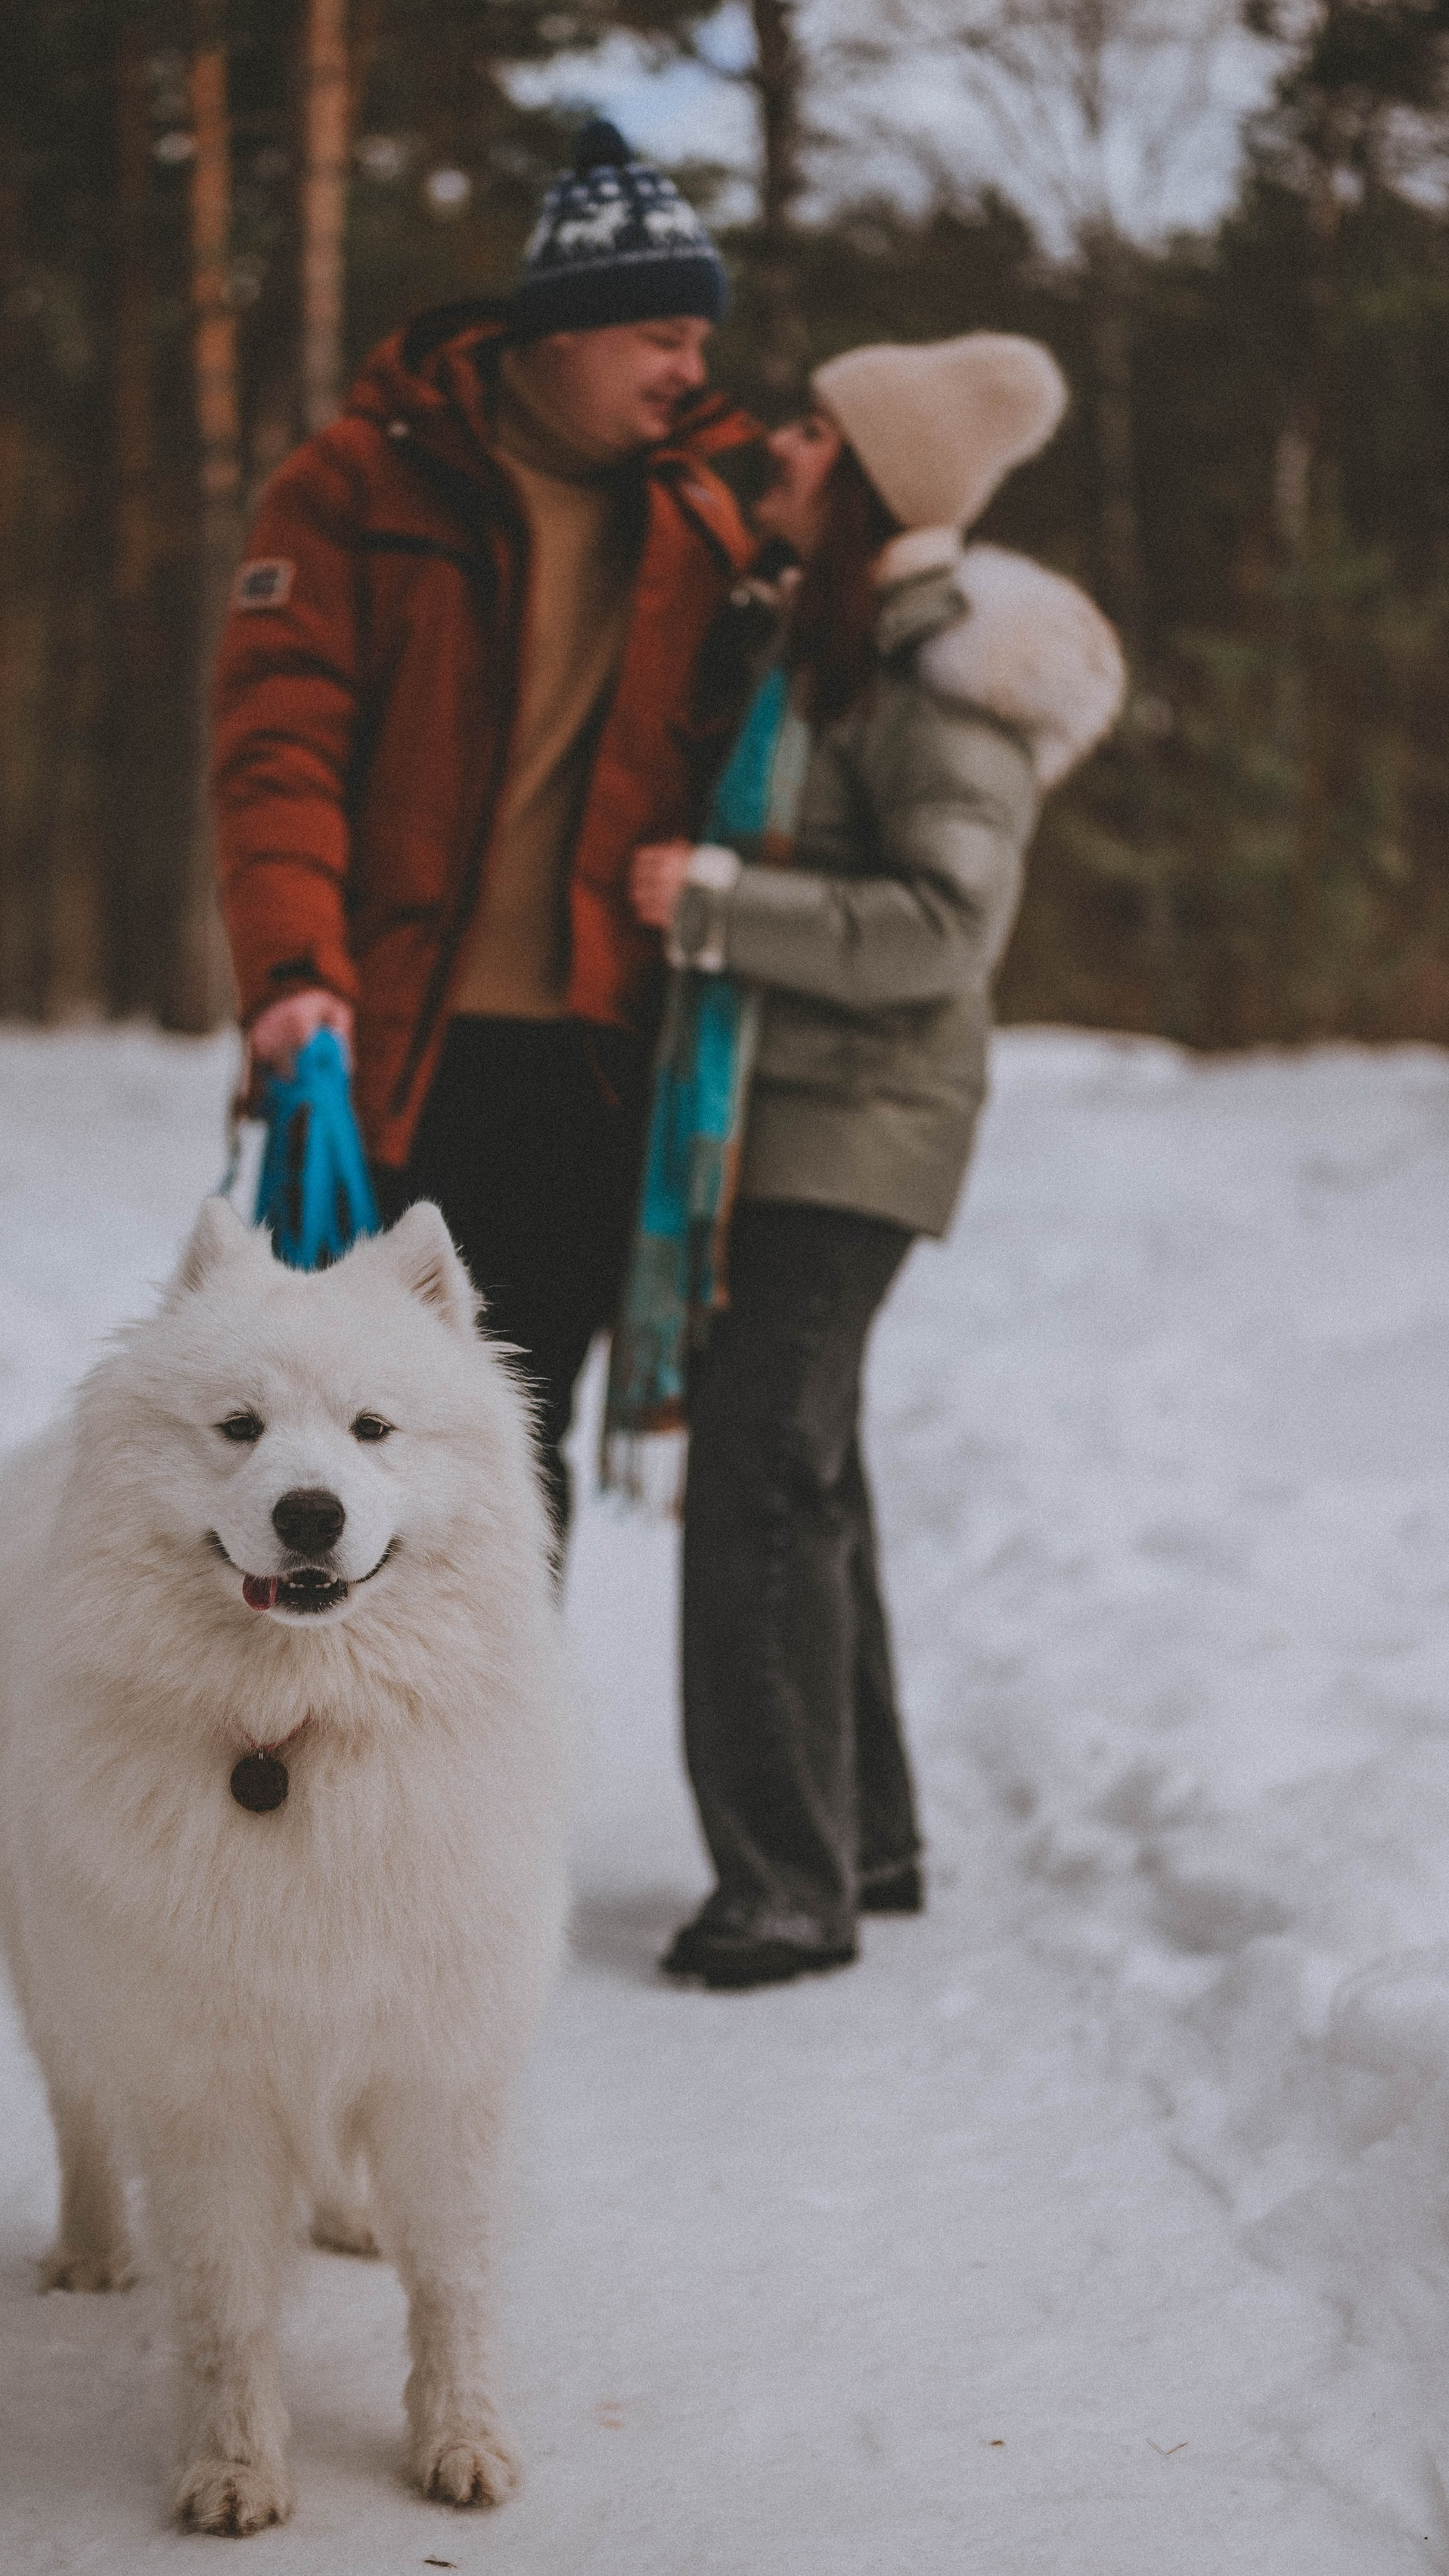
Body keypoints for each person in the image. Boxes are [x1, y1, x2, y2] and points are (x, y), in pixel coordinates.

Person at [628, 334, 1126, 1990]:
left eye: (812, 433)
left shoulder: (943, 685)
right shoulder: (829, 648)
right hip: (798, 1118)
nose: (779, 446)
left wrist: (712, 906)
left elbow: (937, 931)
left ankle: (783, 1882)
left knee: (757, 1478)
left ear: (866, 480)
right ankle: (868, 1838)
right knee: (804, 1473)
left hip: (861, 1128)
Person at [213, 122, 759, 1545]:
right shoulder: (353, 486)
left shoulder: (712, 515)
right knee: (326, 1432)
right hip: (382, 1045)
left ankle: (481, 1766)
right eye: (658, 332)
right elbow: (280, 743)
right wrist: (290, 973)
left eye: (698, 338)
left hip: (595, 1056)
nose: (691, 369)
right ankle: (304, 1753)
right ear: (561, 331)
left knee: (510, 1446)